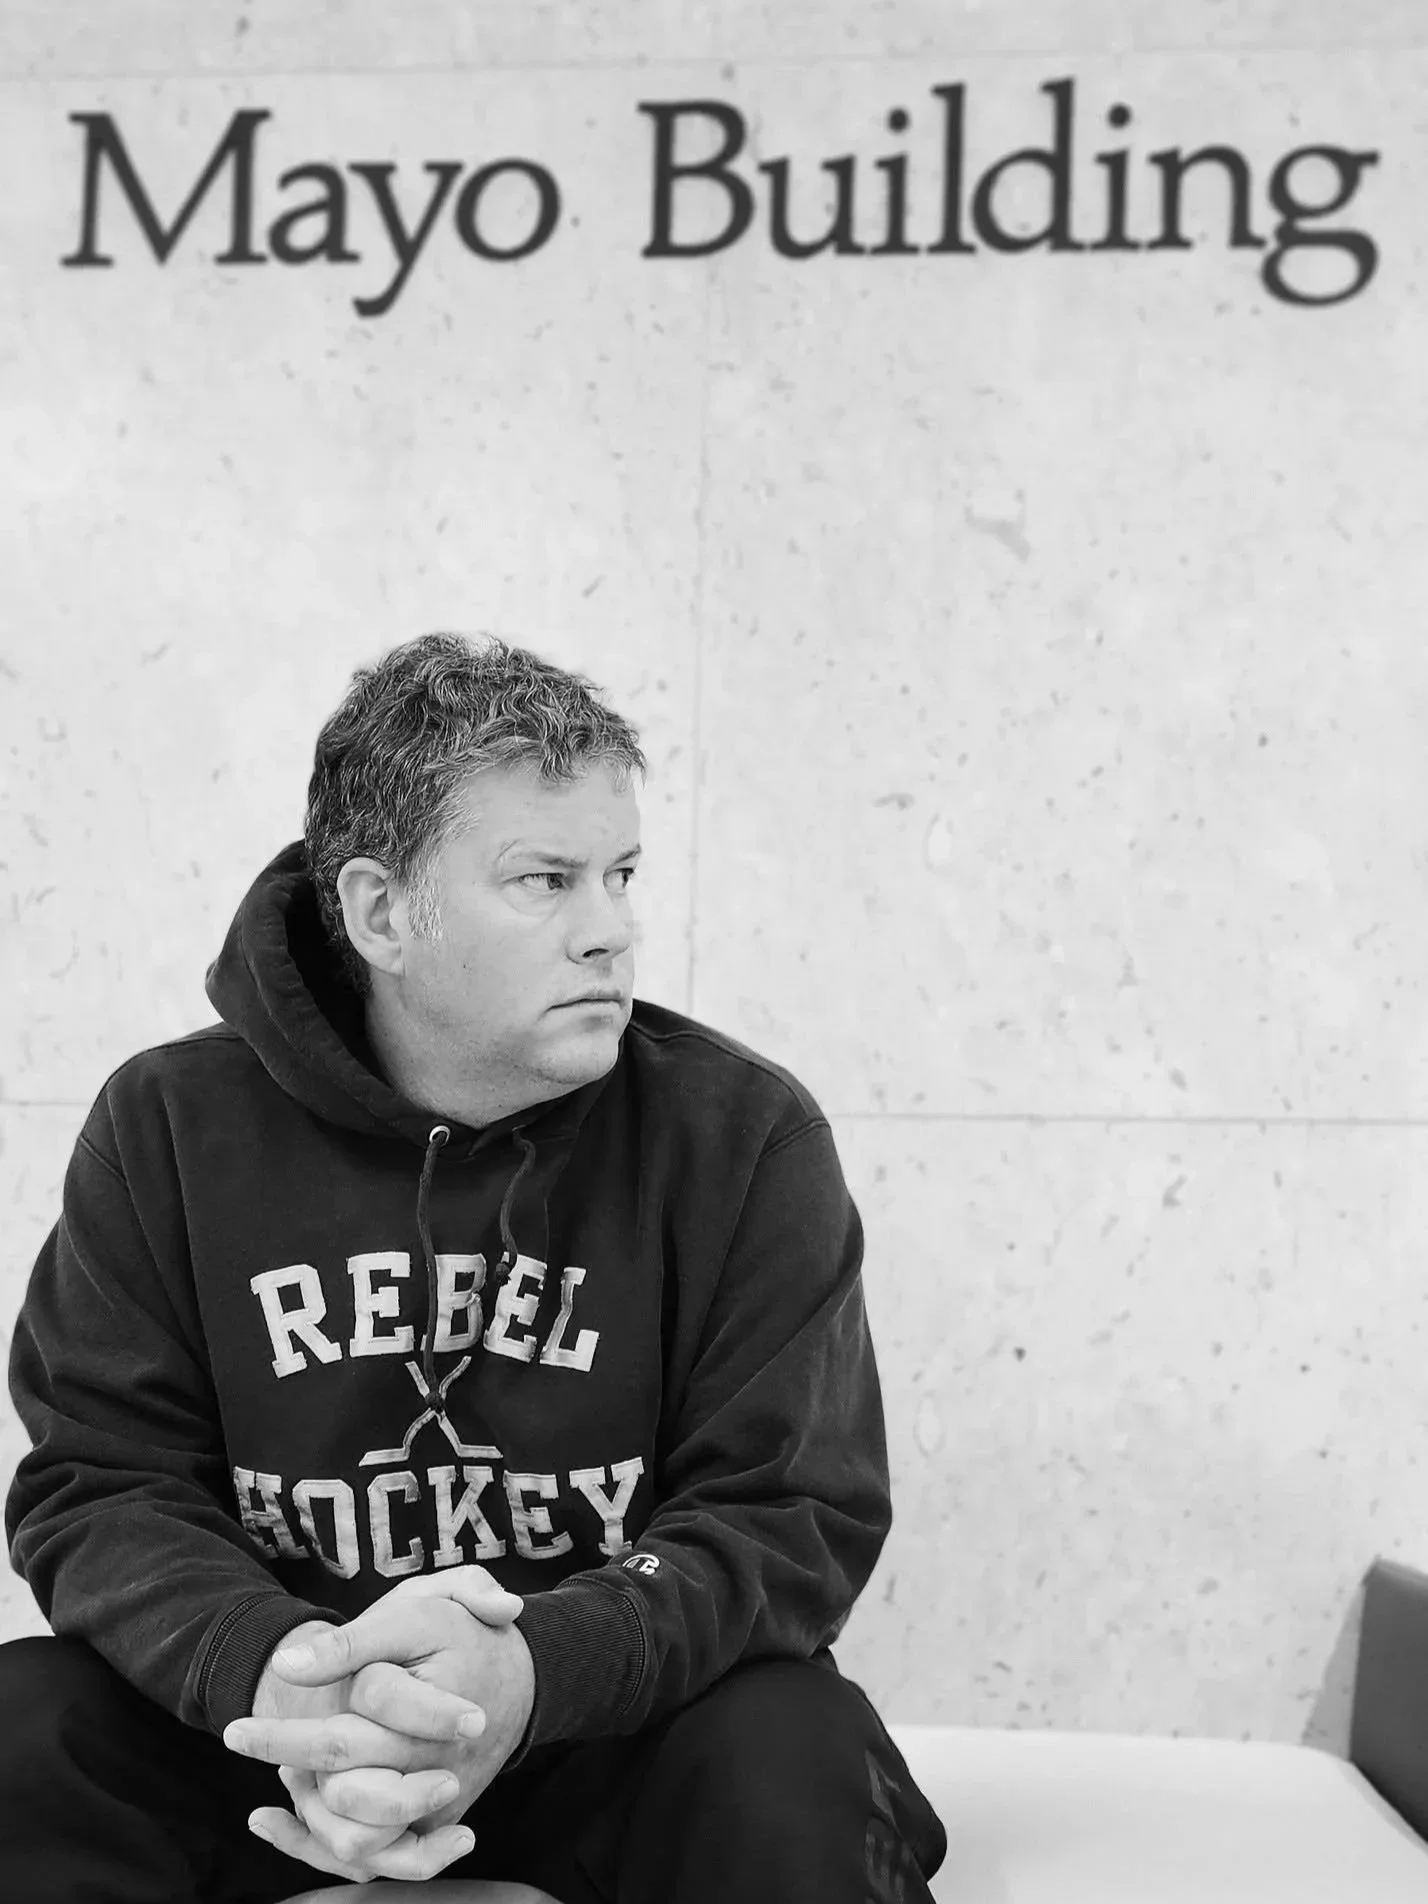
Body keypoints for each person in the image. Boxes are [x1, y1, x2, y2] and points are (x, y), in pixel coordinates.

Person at [0, 633, 948, 1903]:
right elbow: (100, 1481)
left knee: (792, 1747)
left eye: (620, 872)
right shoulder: (166, 1127)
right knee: (25, 1723)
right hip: (281, 1736)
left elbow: (791, 1512)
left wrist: (535, 1671)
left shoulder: (743, 1136)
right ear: (382, 910)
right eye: (544, 880)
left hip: (604, 1724)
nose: (611, 930)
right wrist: (283, 1672)